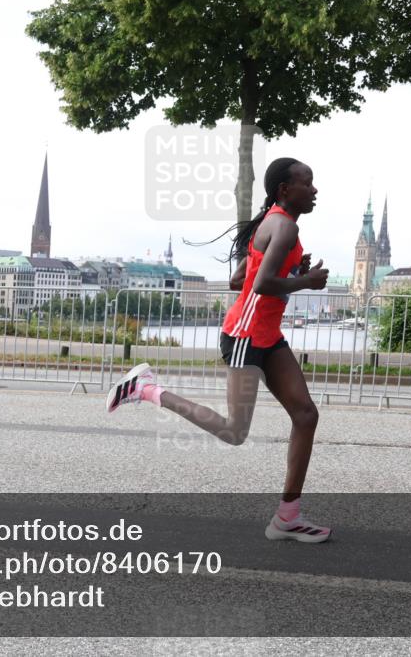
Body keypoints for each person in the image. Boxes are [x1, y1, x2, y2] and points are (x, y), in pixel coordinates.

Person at [106, 157, 331, 543]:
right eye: (307, 184)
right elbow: (259, 285)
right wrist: (306, 281)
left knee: (306, 415)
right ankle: (145, 389)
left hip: (266, 336)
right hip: (245, 338)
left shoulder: (272, 223)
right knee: (233, 432)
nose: (315, 191)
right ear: (284, 190)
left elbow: (236, 279)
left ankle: (287, 517)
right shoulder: (284, 226)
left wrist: (293, 272)